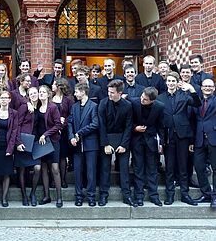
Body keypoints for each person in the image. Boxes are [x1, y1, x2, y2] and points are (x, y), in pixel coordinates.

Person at [157, 72, 201, 206]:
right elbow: (158, 119)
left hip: (182, 135)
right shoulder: (160, 97)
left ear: (177, 82)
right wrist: (159, 140)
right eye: (168, 81)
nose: (170, 83)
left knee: (182, 166)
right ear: (166, 83)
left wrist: (192, 90)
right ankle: (170, 194)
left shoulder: (184, 95)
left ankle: (185, 194)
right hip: (168, 135)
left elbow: (197, 104)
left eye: (173, 81)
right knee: (169, 167)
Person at [98, 79, 135, 207]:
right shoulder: (103, 103)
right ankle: (103, 195)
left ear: (120, 93)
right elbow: (101, 125)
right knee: (104, 168)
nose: (109, 94)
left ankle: (127, 195)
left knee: (124, 168)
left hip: (122, 138)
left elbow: (129, 126)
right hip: (106, 138)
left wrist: (124, 145)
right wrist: (105, 144)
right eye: (109, 92)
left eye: (112, 92)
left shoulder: (128, 105)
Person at [130, 87, 165, 206]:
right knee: (138, 169)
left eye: (145, 100)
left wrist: (161, 143)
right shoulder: (134, 103)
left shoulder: (159, 107)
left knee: (152, 169)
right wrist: (135, 128)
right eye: (141, 97)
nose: (141, 100)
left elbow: (161, 126)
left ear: (152, 100)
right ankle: (138, 196)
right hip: (137, 140)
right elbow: (129, 121)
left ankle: (154, 195)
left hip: (151, 140)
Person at [67, 83, 99, 207]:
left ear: (83, 92)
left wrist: (79, 133)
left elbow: (95, 124)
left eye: (76, 92)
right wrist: (71, 137)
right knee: (78, 172)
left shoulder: (94, 106)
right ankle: (78, 196)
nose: (75, 94)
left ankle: (91, 196)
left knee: (91, 172)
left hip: (90, 144)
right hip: (76, 144)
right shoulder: (74, 106)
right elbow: (69, 122)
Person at [0, 91, 18, 207]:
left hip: (7, 146)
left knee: (6, 173)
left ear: (10, 100)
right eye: (2, 98)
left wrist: (10, 149)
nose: (4, 100)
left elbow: (14, 131)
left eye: (6, 98)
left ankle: (4, 198)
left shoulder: (14, 113)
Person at [14, 87, 42, 206]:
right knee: (22, 169)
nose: (34, 95)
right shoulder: (24, 107)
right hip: (24, 140)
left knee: (37, 168)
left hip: (36, 141)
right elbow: (17, 125)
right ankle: (24, 195)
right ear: (28, 96)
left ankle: (33, 193)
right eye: (31, 94)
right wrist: (18, 142)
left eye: (36, 93)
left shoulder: (41, 106)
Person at [37, 85, 63, 208]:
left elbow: (58, 125)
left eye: (43, 92)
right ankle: (46, 196)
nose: (40, 94)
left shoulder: (53, 107)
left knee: (55, 168)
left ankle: (59, 197)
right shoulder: (37, 107)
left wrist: (45, 134)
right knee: (43, 168)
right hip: (41, 142)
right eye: (39, 92)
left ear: (48, 94)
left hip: (53, 140)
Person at [192, 79, 216, 206]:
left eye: (210, 86)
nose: (207, 88)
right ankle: (206, 193)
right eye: (205, 86)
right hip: (199, 139)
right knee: (199, 167)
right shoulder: (198, 101)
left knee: (215, 169)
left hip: (213, 138)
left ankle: (215, 197)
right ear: (201, 88)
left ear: (214, 88)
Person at [52, 78, 74, 188]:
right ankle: (53, 179)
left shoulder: (68, 100)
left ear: (59, 87)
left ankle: (63, 179)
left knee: (62, 156)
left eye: (54, 84)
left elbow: (72, 114)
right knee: (53, 156)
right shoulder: (50, 98)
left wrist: (64, 120)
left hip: (64, 131)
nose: (52, 86)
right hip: (52, 131)